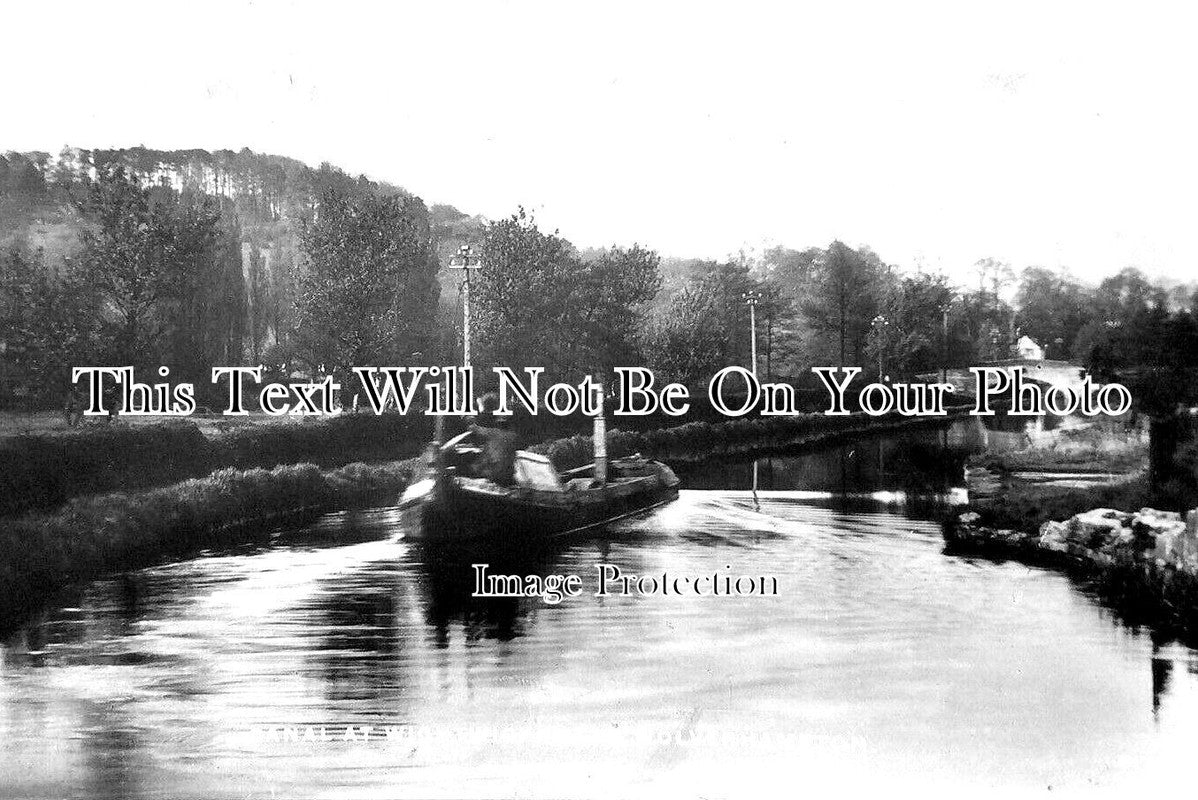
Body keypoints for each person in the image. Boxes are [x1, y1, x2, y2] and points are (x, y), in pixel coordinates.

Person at [466, 393, 519, 486]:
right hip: (508, 474)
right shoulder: (511, 435)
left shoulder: (495, 433)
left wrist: (468, 418)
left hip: (497, 474)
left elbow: (474, 429)